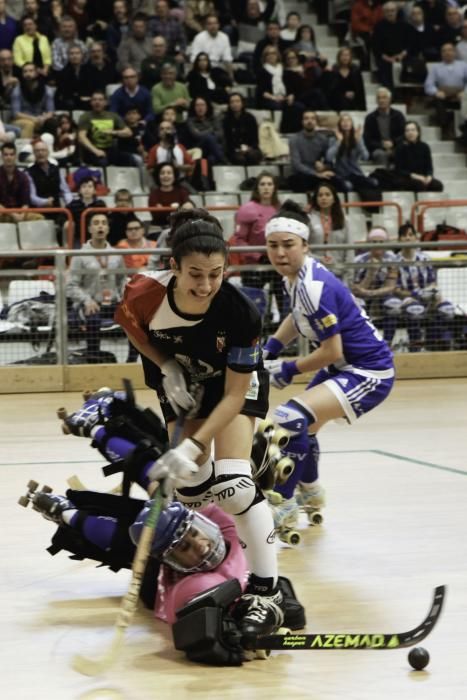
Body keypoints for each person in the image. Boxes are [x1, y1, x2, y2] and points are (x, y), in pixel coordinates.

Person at [22, 386, 304, 663]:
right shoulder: (195, 584)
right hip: (159, 576)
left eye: (194, 534)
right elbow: (209, 625)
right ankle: (79, 479)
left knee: (165, 488)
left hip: (165, 564)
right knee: (135, 531)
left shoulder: (223, 529)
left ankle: (84, 465)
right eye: (187, 548)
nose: (201, 545)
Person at [113, 208, 287, 638]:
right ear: (173, 266)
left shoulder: (241, 313)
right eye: (195, 274)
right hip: (182, 382)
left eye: (216, 273)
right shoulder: (142, 293)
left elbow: (232, 395)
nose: (206, 285)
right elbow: (134, 330)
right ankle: (206, 565)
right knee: (191, 489)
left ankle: (267, 594)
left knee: (232, 486)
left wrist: (193, 444)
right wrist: (165, 363)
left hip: (231, 387)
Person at [260, 202, 395, 530]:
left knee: (289, 418)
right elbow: (297, 317)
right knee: (301, 425)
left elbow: (330, 350)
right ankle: (311, 494)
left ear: (305, 246)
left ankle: (285, 503)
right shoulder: (296, 276)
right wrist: (271, 348)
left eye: (288, 245)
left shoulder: (312, 286)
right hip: (345, 366)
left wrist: (287, 369)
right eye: (273, 245)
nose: (280, 253)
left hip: (368, 372)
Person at [66, 212, 125, 361]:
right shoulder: (80, 255)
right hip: (90, 304)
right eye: (96, 223)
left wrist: (124, 298)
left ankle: (130, 362)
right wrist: (86, 300)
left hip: (111, 303)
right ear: (90, 229)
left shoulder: (117, 255)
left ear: (108, 229)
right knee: (93, 319)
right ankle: (93, 358)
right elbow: (71, 286)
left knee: (137, 320)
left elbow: (122, 280)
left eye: (104, 223)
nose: (100, 226)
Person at [232, 170, 287, 320]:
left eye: (270, 184)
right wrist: (258, 256)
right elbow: (239, 240)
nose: (266, 187)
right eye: (262, 184)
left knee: (285, 299)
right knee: (252, 307)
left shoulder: (280, 209)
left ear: (275, 187)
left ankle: (287, 335)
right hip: (254, 265)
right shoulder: (247, 209)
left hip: (278, 262)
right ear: (257, 188)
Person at [394, 223, 454, 351]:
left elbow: (433, 282)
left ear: (416, 238)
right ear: (399, 239)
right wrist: (414, 295)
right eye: (404, 236)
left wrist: (431, 294)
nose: (408, 238)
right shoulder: (395, 261)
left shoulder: (424, 258)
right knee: (415, 309)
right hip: (408, 299)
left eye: (411, 235)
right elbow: (396, 290)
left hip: (427, 298)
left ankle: (435, 344)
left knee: (447, 309)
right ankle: (415, 347)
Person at [350, 226, 399, 346]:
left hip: (382, 294)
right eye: (374, 242)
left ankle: (388, 343)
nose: (378, 245)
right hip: (362, 295)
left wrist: (371, 293)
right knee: (358, 304)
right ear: (369, 243)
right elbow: (356, 289)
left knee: (393, 304)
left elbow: (390, 286)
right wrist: (371, 273)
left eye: (381, 242)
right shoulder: (359, 260)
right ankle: (365, 343)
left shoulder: (392, 259)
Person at [326, 113, 381, 201]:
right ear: (339, 124)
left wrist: (358, 141)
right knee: (348, 185)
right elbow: (328, 157)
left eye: (348, 120)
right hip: (341, 175)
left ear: (352, 124)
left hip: (356, 173)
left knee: (374, 182)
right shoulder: (333, 139)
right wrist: (339, 142)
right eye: (343, 120)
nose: (346, 122)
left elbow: (365, 157)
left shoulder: (358, 138)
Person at [77, 90, 136, 167]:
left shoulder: (113, 116)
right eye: (94, 100)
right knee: (103, 162)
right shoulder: (86, 116)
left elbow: (128, 132)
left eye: (100, 100)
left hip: (111, 150)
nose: (97, 102)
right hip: (92, 150)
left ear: (106, 102)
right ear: (91, 102)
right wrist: (96, 151)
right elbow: (81, 137)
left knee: (130, 159)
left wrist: (113, 132)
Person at [307, 182, 351, 279]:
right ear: (316, 199)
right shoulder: (309, 220)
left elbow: (349, 250)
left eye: (327, 195)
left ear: (334, 198)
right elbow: (304, 248)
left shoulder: (344, 220)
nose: (324, 198)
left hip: (338, 272)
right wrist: (318, 259)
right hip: (315, 272)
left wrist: (348, 275)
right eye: (320, 195)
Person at [255, 44, 303, 133]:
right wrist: (274, 98)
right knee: (280, 106)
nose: (271, 56)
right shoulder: (262, 71)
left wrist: (291, 95)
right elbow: (262, 91)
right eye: (268, 54)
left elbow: (291, 87)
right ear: (265, 57)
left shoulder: (284, 70)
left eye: (273, 53)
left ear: (277, 55)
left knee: (298, 106)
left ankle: (295, 131)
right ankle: (283, 130)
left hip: (284, 97)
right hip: (269, 99)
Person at [288, 110, 339, 193]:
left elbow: (328, 160)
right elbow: (296, 164)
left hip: (319, 175)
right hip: (302, 175)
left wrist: (324, 167)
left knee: (336, 181)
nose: (309, 121)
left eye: (312, 118)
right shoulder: (294, 139)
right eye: (306, 118)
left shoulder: (323, 139)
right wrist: (315, 174)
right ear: (302, 122)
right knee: (297, 181)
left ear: (316, 122)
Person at [424, 42, 467, 138]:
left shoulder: (464, 66)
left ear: (455, 52)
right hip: (444, 95)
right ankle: (445, 129)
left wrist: (465, 92)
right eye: (444, 51)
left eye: (450, 50)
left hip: (460, 95)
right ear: (441, 53)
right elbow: (428, 85)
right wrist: (436, 92)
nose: (447, 53)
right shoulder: (435, 68)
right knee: (438, 101)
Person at [393, 120, 443, 192]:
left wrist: (429, 176)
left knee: (437, 185)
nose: (410, 133)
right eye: (407, 131)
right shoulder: (400, 148)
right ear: (404, 133)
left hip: (422, 177)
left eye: (413, 130)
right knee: (418, 185)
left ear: (418, 132)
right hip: (407, 177)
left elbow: (429, 166)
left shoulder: (425, 147)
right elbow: (399, 170)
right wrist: (415, 176)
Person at [371, 1, 411, 88]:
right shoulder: (378, 27)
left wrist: (401, 55)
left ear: (396, 11)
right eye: (387, 11)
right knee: (386, 71)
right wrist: (388, 58)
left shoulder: (404, 26)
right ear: (384, 13)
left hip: (402, 57)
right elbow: (376, 48)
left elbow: (410, 44)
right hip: (385, 59)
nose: (390, 13)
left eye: (392, 10)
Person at [0, 141, 43, 222]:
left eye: (11, 154)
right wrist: (12, 214)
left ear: (15, 156)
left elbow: (25, 203)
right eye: (6, 155)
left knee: (39, 218)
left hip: (20, 212)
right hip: (2, 213)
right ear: (2, 157)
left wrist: (22, 215)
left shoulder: (23, 177)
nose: (9, 157)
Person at [363, 87, 405, 167]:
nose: (381, 100)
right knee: (380, 154)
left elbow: (403, 135)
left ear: (389, 99)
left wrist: (392, 143)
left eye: (384, 97)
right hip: (378, 148)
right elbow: (367, 139)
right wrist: (382, 145)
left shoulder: (398, 116)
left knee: (401, 153)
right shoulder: (370, 118)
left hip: (396, 147)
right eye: (379, 98)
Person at [10, 61, 54, 138]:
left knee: (52, 122)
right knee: (29, 124)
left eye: (31, 71)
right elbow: (16, 114)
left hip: (40, 119)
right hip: (22, 120)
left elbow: (51, 111)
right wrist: (34, 119)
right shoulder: (17, 91)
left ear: (37, 73)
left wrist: (43, 118)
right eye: (25, 71)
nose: (28, 74)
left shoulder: (47, 90)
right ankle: (25, 148)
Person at [222, 92, 262, 165]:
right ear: (229, 104)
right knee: (240, 159)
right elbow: (227, 141)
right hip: (234, 150)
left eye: (237, 101)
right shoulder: (226, 120)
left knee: (253, 156)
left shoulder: (250, 118)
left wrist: (249, 148)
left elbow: (255, 139)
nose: (235, 104)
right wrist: (238, 150)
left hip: (250, 148)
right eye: (232, 102)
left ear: (242, 103)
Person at [67, 175, 107, 247]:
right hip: (78, 238)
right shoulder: (73, 205)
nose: (87, 189)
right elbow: (62, 217)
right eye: (84, 186)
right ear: (79, 190)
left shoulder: (100, 204)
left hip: (96, 237)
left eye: (90, 186)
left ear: (94, 190)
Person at [148, 161, 190, 227]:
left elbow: (189, 207)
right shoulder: (154, 194)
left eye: (169, 173)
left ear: (174, 176)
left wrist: (164, 209)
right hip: (159, 227)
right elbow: (157, 215)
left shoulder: (182, 191)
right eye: (162, 173)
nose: (165, 175)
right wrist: (179, 210)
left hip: (180, 226)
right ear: (158, 176)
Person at [186, 96, 226, 165]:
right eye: (197, 105)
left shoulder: (214, 118)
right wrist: (212, 130)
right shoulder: (190, 121)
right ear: (194, 107)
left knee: (212, 159)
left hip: (214, 148)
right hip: (200, 148)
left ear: (207, 106)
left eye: (202, 105)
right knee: (208, 138)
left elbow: (220, 134)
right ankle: (225, 161)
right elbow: (196, 135)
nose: (200, 108)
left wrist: (204, 133)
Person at [325, 47, 366, 112]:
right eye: (343, 55)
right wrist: (343, 94)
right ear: (339, 57)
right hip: (337, 101)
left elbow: (360, 90)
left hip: (353, 101)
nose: (345, 57)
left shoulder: (355, 70)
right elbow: (331, 90)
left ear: (350, 57)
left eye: (347, 55)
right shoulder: (334, 70)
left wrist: (362, 108)